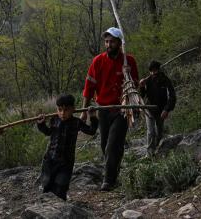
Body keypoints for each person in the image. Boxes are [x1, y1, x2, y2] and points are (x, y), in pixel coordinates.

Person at [80, 27, 139, 191]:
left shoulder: (129, 61)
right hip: (103, 109)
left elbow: (135, 88)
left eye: (112, 41)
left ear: (120, 43)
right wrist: (84, 111)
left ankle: (108, 180)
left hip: (122, 109)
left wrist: (128, 74)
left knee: (113, 144)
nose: (108, 44)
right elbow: (89, 87)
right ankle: (113, 171)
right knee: (105, 144)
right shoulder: (98, 61)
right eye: (106, 41)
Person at [36, 93, 98, 201]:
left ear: (73, 109)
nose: (62, 113)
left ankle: (61, 208)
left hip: (66, 161)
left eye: (66, 110)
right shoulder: (54, 120)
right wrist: (41, 124)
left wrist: (92, 117)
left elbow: (91, 131)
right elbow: (47, 132)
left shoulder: (76, 122)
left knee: (61, 186)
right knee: (47, 184)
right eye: (59, 109)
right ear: (57, 109)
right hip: (50, 159)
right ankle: (44, 209)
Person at [139, 60, 176, 157]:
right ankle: (149, 153)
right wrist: (142, 87)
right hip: (149, 109)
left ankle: (157, 148)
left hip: (161, 110)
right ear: (149, 71)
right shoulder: (147, 81)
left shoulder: (165, 80)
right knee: (151, 132)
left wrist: (166, 109)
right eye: (151, 71)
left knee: (159, 132)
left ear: (158, 70)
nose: (153, 72)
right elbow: (142, 95)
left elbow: (172, 96)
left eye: (155, 70)